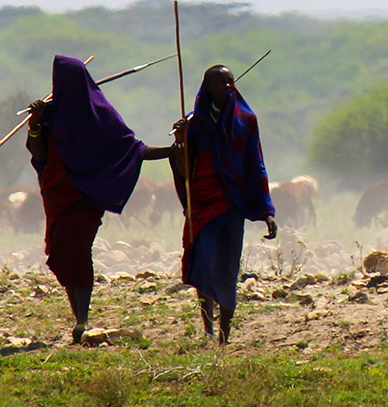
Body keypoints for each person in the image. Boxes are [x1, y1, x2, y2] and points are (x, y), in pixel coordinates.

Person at [23, 55, 179, 344]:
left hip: (85, 197)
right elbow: (40, 155)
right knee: (61, 253)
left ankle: (82, 319)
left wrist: (171, 151)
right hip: (57, 197)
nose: (56, 87)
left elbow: (132, 149)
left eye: (61, 81)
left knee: (79, 250)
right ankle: (77, 317)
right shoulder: (49, 116)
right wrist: (35, 123)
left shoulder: (99, 114)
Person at [173, 64, 277, 345]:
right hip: (202, 206)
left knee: (228, 268)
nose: (228, 87)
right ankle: (207, 328)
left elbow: (256, 165)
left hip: (232, 205)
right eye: (221, 83)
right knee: (204, 264)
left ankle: (224, 334)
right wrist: (180, 143)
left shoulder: (246, 120)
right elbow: (183, 169)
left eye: (231, 82)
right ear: (208, 87)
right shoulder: (193, 124)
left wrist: (266, 211)